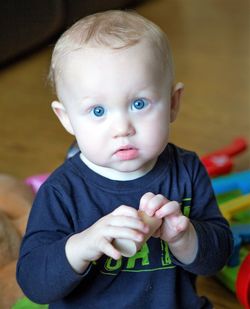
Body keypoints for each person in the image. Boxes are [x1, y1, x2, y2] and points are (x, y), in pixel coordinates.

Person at [16, 10, 233, 308]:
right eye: (98, 111)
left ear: (172, 104)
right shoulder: (61, 191)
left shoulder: (186, 170)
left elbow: (217, 258)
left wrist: (184, 237)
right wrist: (84, 244)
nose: (122, 128)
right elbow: (34, 284)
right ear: (66, 119)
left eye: (139, 103)